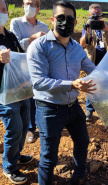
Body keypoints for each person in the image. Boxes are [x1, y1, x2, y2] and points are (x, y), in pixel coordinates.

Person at [27, 1, 96, 184]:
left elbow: (94, 71)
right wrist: (72, 84)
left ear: (75, 23)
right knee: (49, 156)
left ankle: (78, 177)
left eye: (69, 19)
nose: (65, 22)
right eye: (60, 18)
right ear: (52, 20)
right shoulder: (39, 47)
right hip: (49, 109)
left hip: (73, 107)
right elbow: (39, 82)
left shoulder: (77, 49)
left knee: (82, 143)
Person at [0, 0, 33, 184]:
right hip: (3, 95)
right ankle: (9, 166)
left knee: (24, 123)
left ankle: (16, 154)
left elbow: (21, 59)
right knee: (15, 128)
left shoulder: (11, 36)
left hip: (19, 90)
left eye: (4, 9)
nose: (2, 13)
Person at [10, 0, 49, 144]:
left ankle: (40, 125)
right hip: (21, 67)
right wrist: (33, 38)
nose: (29, 7)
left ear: (38, 8)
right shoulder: (16, 23)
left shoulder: (44, 26)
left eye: (33, 4)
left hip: (38, 66)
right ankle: (29, 129)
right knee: (25, 99)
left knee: (39, 97)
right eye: (27, 3)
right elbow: (16, 45)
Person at [80, 3, 108, 121]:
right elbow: (82, 44)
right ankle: (89, 110)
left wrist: (107, 28)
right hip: (92, 61)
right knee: (91, 85)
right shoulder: (87, 26)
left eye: (98, 13)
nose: (96, 15)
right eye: (94, 13)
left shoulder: (107, 25)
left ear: (101, 13)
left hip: (107, 61)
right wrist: (87, 29)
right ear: (89, 14)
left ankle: (106, 109)